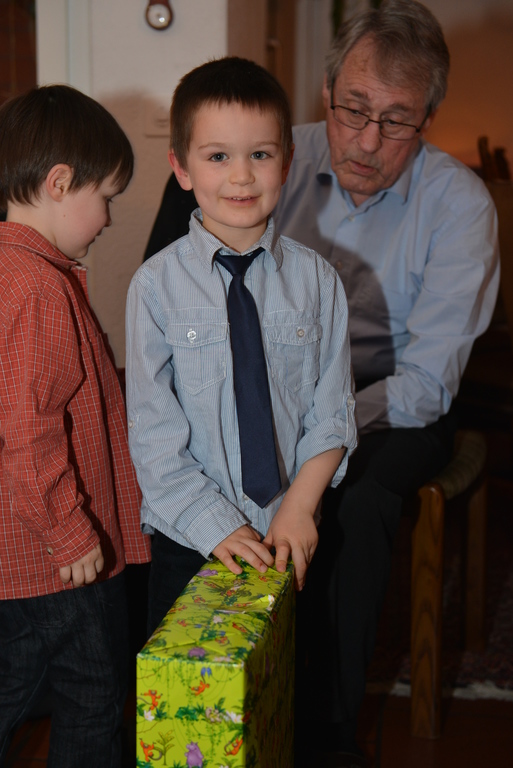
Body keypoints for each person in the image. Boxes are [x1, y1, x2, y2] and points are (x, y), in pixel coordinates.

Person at [141, 3, 500, 765]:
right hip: (262, 380)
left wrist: (309, 440)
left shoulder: (459, 205)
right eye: (353, 109)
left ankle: (327, 728)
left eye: (396, 121)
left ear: (428, 118)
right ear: (327, 93)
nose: (367, 140)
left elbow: (427, 382)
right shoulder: (266, 153)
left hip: (393, 398)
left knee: (355, 496)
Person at [125, 56, 358, 640]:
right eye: (218, 156)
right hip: (191, 539)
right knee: (188, 691)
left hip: (288, 531)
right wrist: (214, 525)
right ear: (181, 168)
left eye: (260, 154)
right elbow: (153, 433)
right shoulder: (153, 287)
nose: (242, 177)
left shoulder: (319, 282)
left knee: (285, 683)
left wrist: (300, 505)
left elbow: (333, 414)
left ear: (288, 162)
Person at [0, 84, 151, 767]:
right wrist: (68, 528)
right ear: (59, 184)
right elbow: (29, 429)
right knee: (92, 692)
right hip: (55, 557)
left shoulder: (17, 272)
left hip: (24, 552)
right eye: (106, 196)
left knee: (16, 682)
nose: (109, 217)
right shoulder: (38, 287)